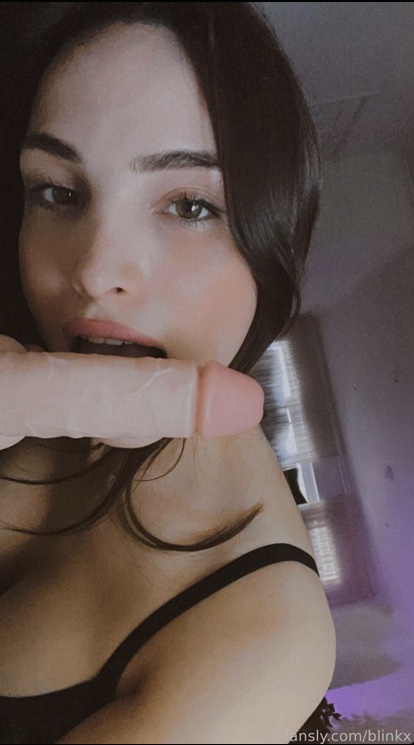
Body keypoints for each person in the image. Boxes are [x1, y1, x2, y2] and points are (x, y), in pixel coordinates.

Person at [0, 3, 337, 743]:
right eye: (57, 191)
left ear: (275, 239)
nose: (94, 272)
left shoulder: (261, 638)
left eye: (188, 205)